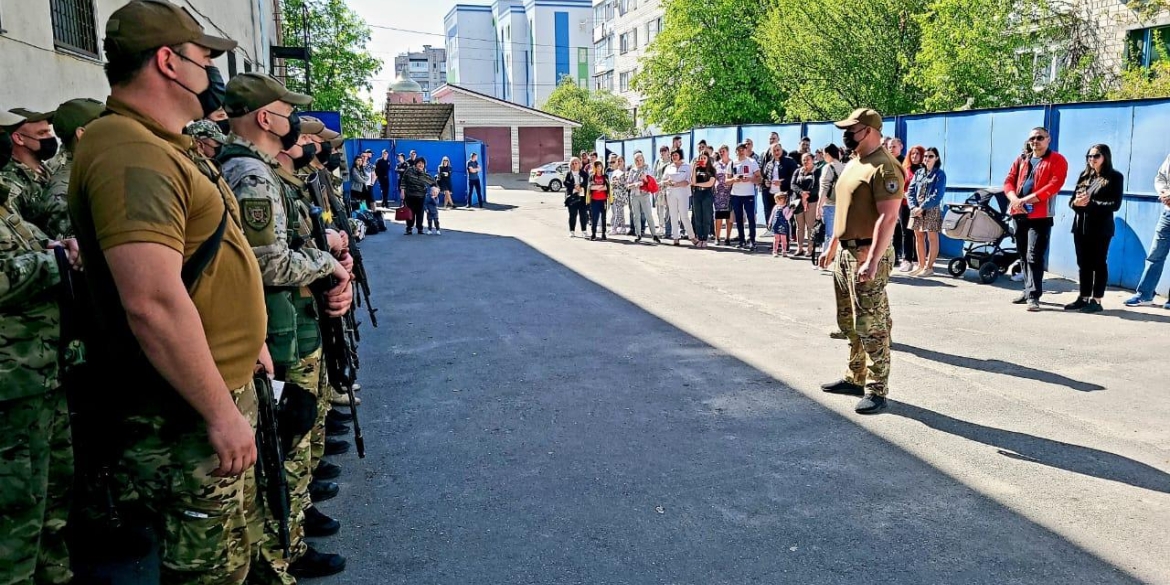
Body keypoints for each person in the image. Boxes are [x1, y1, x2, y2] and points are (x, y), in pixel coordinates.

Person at [65, 2, 269, 582]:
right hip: (182, 413)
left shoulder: (158, 143)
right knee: (207, 569)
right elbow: (151, 302)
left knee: (233, 550)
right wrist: (219, 411)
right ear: (168, 62)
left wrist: (246, 342)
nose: (212, 73)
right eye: (205, 58)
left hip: (208, 392)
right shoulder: (130, 151)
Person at [219, 72, 352, 580]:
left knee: (296, 433)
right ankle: (282, 553)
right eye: (286, 109)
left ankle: (290, 536)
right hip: (276, 329)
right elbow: (267, 261)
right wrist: (327, 264)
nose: (296, 123)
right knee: (284, 443)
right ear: (265, 117)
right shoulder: (250, 173)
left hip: (290, 321)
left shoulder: (260, 171)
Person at [0, 109, 81, 585]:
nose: (49, 139)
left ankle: (56, 573)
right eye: (40, 133)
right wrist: (53, 262)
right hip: (11, 381)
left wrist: (56, 250)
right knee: (15, 508)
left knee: (51, 490)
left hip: (40, 369)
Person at [818, 108, 904, 415]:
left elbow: (889, 216)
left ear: (868, 130)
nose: (845, 134)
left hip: (867, 254)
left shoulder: (885, 167)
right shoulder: (855, 162)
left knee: (871, 324)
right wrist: (832, 246)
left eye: (850, 129)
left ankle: (877, 388)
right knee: (850, 321)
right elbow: (847, 208)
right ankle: (855, 376)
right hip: (846, 251)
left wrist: (873, 260)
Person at [1003, 127, 1069, 311]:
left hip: (1040, 216)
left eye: (1040, 137)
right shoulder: (1022, 159)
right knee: (1023, 254)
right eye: (1032, 138)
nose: (1035, 141)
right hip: (1019, 213)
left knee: (1034, 255)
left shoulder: (1057, 160)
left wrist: (1026, 200)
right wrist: (1015, 200)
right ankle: (1027, 289)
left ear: (1048, 139)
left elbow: (1054, 185)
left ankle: (1034, 295)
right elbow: (1008, 181)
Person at [1065, 144, 1123, 313]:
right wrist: (1076, 203)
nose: (1092, 159)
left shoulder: (1114, 177)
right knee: (1083, 263)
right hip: (1080, 227)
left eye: (1096, 156)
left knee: (1098, 263)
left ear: (1105, 156)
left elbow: (1115, 204)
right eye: (1089, 156)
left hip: (1100, 228)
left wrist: (1091, 204)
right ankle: (1083, 297)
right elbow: (1072, 201)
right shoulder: (1084, 176)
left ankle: (1096, 300)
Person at [39, 98, 105, 240]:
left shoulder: (94, 173)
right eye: (106, 124)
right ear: (82, 133)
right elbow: (80, 252)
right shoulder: (65, 191)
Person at [1125, 151, 1170, 309]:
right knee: (1155, 255)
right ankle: (1145, 295)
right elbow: (1160, 177)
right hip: (1168, 213)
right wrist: (1164, 192)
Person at [2, 108, 56, 221]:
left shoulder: (49, 170)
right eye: (41, 133)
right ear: (19, 138)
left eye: (49, 131)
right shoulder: (10, 181)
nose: (50, 137)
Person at [906, 147, 946, 276]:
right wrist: (913, 207)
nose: (927, 159)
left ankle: (929, 267)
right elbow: (911, 190)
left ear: (936, 158)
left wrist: (922, 207)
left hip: (930, 209)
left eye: (930, 156)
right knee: (918, 236)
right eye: (926, 156)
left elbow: (937, 194)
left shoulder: (939, 174)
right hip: (916, 209)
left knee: (932, 238)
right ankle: (921, 265)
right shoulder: (918, 173)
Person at [728, 143, 761, 251]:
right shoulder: (732, 163)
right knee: (738, 219)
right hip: (736, 195)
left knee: (751, 218)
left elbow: (759, 178)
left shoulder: (752, 162)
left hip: (748, 194)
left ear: (746, 150)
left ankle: (752, 240)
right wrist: (734, 180)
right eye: (738, 150)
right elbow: (726, 181)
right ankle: (741, 240)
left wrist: (750, 179)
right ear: (735, 151)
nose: (741, 152)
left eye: (743, 149)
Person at [663, 149, 697, 246]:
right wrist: (667, 182)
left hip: (683, 193)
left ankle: (692, 237)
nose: (674, 157)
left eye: (676, 155)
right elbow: (663, 180)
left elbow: (688, 181)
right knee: (673, 216)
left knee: (684, 216)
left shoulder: (687, 167)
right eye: (672, 155)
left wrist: (676, 184)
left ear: (680, 155)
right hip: (671, 193)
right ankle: (676, 238)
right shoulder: (669, 167)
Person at [625, 152, 660, 244]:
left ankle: (654, 235)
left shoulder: (647, 168)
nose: (638, 162)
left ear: (643, 160)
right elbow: (628, 185)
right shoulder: (632, 170)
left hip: (644, 195)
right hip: (634, 195)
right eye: (636, 160)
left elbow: (652, 181)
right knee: (636, 216)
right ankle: (638, 235)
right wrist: (635, 184)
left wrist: (645, 179)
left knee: (648, 215)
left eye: (640, 160)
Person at [402, 157, 435, 234]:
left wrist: (434, 187)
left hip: (421, 196)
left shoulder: (424, 174)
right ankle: (409, 228)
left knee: (420, 213)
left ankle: (420, 228)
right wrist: (402, 191)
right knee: (410, 212)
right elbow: (403, 180)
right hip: (410, 195)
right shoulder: (409, 170)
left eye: (422, 164)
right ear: (416, 164)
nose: (421, 165)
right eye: (419, 163)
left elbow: (432, 182)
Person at [690, 152, 716, 247]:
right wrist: (694, 168)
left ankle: (705, 238)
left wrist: (697, 185)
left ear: (708, 159)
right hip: (697, 194)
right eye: (701, 158)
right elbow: (693, 181)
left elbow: (710, 183)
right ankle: (700, 238)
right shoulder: (697, 169)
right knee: (698, 217)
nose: (702, 159)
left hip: (707, 194)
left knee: (706, 217)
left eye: (704, 158)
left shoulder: (711, 170)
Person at [563, 157, 589, 237]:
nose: (574, 165)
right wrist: (574, 186)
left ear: (579, 164)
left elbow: (587, 182)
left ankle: (584, 231)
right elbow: (565, 182)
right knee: (572, 215)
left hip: (582, 197)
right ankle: (572, 231)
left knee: (583, 215)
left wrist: (580, 186)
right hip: (572, 197)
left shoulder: (584, 173)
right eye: (572, 164)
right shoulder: (568, 174)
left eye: (576, 163)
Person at [587, 160, 611, 241]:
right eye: (597, 166)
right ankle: (593, 234)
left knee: (604, 218)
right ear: (595, 168)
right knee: (594, 217)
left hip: (603, 200)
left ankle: (603, 234)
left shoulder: (605, 176)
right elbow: (590, 187)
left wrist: (596, 186)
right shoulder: (592, 176)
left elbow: (606, 187)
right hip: (594, 200)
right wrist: (600, 186)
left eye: (600, 166)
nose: (599, 168)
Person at [769, 192, 791, 257]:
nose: (775, 201)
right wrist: (769, 222)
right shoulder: (776, 207)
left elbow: (787, 218)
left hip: (783, 225)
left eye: (776, 200)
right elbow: (772, 215)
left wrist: (791, 211)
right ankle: (775, 251)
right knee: (776, 239)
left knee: (784, 239)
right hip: (776, 224)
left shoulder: (786, 208)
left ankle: (784, 251)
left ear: (782, 200)